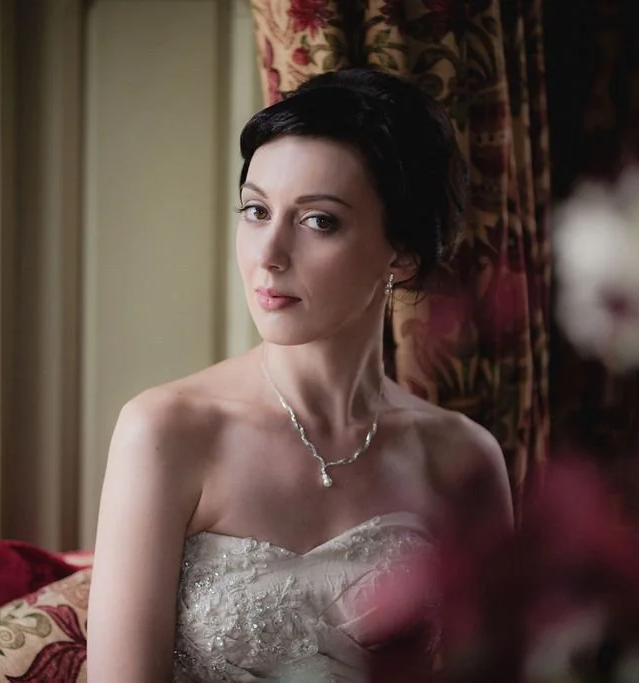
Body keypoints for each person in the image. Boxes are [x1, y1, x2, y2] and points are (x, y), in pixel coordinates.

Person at [86, 67, 514, 682]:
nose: (269, 254)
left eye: (319, 221)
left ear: (401, 253)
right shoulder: (165, 432)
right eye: (256, 210)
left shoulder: (463, 458)